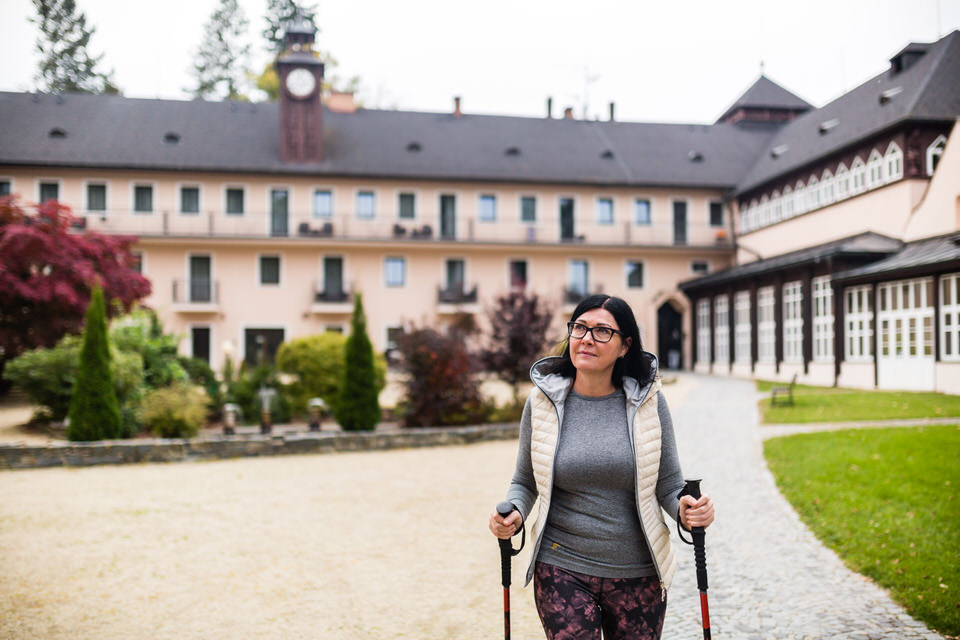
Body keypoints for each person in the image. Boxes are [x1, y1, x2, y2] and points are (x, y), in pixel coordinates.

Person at [488, 294, 715, 640]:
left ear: (625, 345)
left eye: (602, 331)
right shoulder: (542, 403)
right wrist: (514, 513)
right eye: (579, 327)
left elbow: (668, 484)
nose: (587, 338)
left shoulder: (649, 403)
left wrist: (687, 511)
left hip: (638, 571)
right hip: (561, 565)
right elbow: (525, 481)